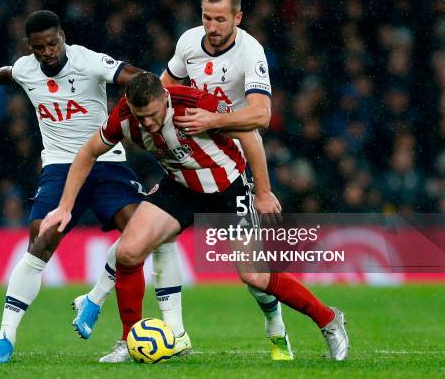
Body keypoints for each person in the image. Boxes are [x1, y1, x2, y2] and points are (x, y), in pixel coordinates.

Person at [41, 72, 350, 361]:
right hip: (181, 188)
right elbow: (87, 153)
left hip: (228, 189)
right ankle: (128, 340)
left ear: (164, 97)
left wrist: (264, 192)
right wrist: (65, 206)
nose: (147, 123)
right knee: (128, 253)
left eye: (153, 114)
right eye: (141, 116)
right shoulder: (125, 116)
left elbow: (251, 137)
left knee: (253, 275)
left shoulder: (194, 106)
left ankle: (328, 318)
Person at [79, 0, 294, 361]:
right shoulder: (188, 43)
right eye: (207, 17)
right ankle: (161, 335)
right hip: (190, 154)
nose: (212, 26)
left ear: (238, 19)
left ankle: (276, 325)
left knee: (254, 278)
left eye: (220, 19)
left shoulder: (251, 51)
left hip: (233, 154)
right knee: (141, 243)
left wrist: (215, 119)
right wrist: (161, 135)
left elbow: (260, 118)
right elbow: (164, 91)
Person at [0, 10, 191, 364]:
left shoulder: (88, 61)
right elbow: (7, 74)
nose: (47, 51)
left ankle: (141, 331)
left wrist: (166, 95)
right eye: (39, 47)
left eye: (52, 43)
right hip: (61, 167)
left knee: (151, 234)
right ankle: (5, 337)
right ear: (29, 47)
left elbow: (136, 77)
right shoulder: (25, 68)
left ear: (62, 36)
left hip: (106, 161)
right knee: (40, 239)